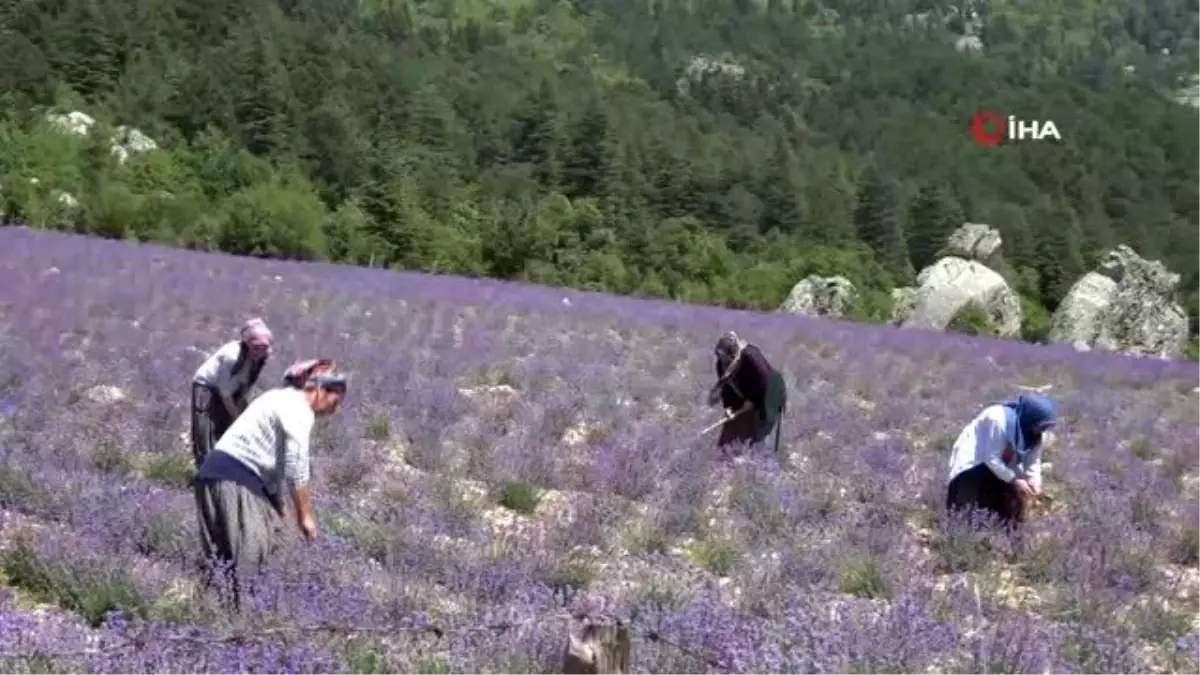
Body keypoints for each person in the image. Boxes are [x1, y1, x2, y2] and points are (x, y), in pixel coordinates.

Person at [192, 364, 347, 609]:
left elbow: (273, 459)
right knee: (249, 562)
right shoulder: (299, 410)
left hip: (211, 476)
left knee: (220, 561)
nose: (335, 409)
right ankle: (242, 629)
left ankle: (206, 620)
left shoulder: (276, 398)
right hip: (237, 479)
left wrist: (275, 499)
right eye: (335, 401)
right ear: (320, 390)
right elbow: (296, 464)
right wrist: (305, 516)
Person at [946, 393, 1058, 534]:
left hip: (1002, 465)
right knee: (966, 506)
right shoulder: (998, 420)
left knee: (1008, 507)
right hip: (976, 460)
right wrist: (1015, 480)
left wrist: (1035, 484)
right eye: (1041, 426)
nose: (1043, 430)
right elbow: (991, 458)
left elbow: (1033, 462)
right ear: (1031, 418)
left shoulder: (1035, 435)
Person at [190, 318, 273, 468]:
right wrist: (235, 415)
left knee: (228, 429)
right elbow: (225, 392)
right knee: (206, 431)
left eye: (263, 347)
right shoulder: (232, 356)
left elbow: (245, 387)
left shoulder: (261, 358)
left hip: (231, 390)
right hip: (207, 387)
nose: (259, 352)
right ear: (248, 344)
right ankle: (205, 470)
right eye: (255, 347)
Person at [707, 331, 787, 454]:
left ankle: (757, 461)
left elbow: (763, 382)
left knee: (756, 436)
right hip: (744, 398)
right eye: (720, 357)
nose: (722, 361)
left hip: (770, 394)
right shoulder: (720, 364)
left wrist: (750, 401)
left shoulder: (751, 357)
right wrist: (729, 408)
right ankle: (727, 461)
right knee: (727, 440)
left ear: (733, 355)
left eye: (725, 357)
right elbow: (726, 389)